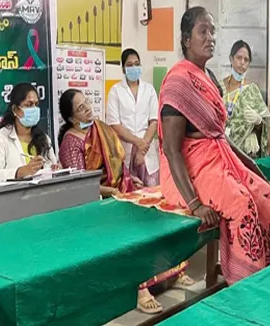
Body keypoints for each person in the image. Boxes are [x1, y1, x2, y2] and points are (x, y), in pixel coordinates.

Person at [159, 6, 270, 285]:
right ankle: (243, 286)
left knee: (263, 192)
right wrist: (195, 205)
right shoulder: (178, 81)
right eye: (203, 31)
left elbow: (219, 136)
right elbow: (171, 150)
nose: (210, 37)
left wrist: (251, 166)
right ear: (186, 39)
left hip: (216, 159)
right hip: (189, 170)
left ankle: (265, 276)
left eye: (213, 32)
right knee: (241, 203)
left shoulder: (209, 78)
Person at [57, 88, 192, 315]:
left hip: (120, 193)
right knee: (132, 235)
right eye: (81, 107)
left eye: (87, 102)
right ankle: (139, 290)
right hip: (98, 204)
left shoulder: (101, 128)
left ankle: (173, 271)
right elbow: (79, 186)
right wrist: (111, 191)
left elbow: (118, 165)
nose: (88, 108)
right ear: (72, 118)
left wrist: (131, 179)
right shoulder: (71, 142)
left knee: (155, 218)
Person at [0, 83, 58, 183]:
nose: (34, 109)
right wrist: (19, 172)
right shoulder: (0, 139)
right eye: (29, 105)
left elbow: (52, 170)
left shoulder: (44, 138)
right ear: (15, 109)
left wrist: (55, 169)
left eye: (36, 104)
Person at [107, 48, 160, 186]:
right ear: (123, 69)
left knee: (151, 191)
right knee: (128, 188)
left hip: (146, 148)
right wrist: (137, 142)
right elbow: (115, 124)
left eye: (137, 64)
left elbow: (154, 121)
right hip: (126, 148)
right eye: (129, 65)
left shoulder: (149, 90)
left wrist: (142, 149)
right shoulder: (115, 91)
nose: (134, 68)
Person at [222, 40, 270, 158]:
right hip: (220, 147)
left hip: (243, 152)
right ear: (231, 59)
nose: (242, 62)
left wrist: (258, 123)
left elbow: (265, 123)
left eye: (246, 60)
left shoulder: (252, 90)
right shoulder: (219, 86)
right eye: (239, 58)